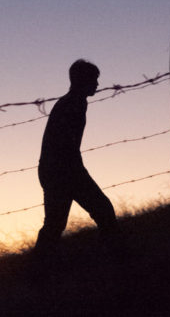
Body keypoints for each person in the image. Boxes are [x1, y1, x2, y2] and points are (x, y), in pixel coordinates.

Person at [33, 59, 118, 267]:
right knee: (102, 211)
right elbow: (65, 143)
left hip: (57, 169)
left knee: (55, 224)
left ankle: (37, 271)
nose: (97, 84)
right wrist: (75, 172)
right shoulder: (72, 104)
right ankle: (118, 258)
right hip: (64, 171)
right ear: (83, 81)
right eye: (94, 80)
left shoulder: (74, 102)